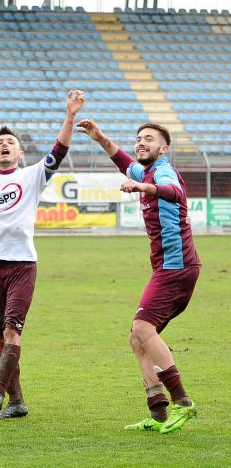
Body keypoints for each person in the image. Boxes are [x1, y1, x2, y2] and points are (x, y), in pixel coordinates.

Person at [0, 74, 85, 418]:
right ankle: (17, 403)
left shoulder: (32, 176)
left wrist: (69, 115)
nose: (4, 144)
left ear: (20, 152)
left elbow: (58, 151)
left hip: (21, 267)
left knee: (11, 331)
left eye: (10, 142)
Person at [77, 118, 200, 434]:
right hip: (168, 268)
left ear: (164, 148)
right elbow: (124, 162)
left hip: (176, 267)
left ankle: (183, 402)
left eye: (149, 139)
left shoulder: (162, 172)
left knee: (143, 328)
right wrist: (100, 137)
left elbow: (173, 191)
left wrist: (142, 187)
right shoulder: (145, 171)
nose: (141, 142)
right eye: (139, 138)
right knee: (138, 338)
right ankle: (158, 411)